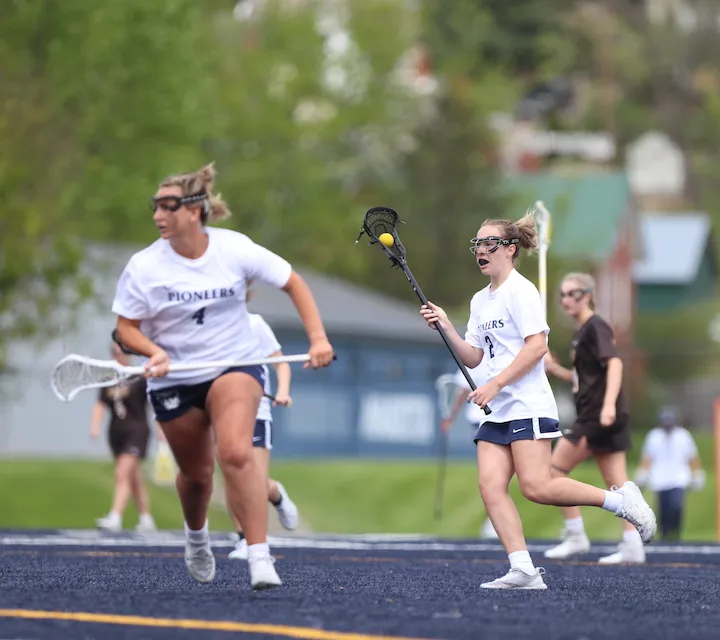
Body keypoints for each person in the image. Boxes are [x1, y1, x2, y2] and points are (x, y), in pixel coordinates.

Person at [111, 161, 334, 591]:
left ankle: (259, 555)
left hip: (235, 364)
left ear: (194, 211)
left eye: (167, 206)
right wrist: (153, 351)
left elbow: (294, 283)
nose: (158, 215)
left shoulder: (234, 249)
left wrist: (318, 337)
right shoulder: (144, 266)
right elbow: (125, 328)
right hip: (177, 376)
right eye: (155, 206)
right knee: (196, 476)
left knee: (235, 453)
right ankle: (197, 539)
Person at [419, 211, 656, 590]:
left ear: (510, 249)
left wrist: (495, 385)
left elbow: (537, 347)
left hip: (526, 405)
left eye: (489, 243)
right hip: (496, 412)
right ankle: (523, 569)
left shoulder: (521, 290)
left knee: (537, 487)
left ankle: (621, 502)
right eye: (477, 244)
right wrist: (446, 326)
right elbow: (474, 357)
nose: (481, 250)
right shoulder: (480, 301)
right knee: (490, 486)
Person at [543, 272, 644, 564]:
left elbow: (614, 364)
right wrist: (555, 369)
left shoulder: (594, 327)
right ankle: (632, 544)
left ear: (587, 295)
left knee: (552, 471)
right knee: (619, 484)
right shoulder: (583, 332)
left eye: (571, 293)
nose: (565, 300)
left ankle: (575, 535)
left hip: (597, 414)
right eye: (562, 294)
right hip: (599, 411)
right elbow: (582, 378)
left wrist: (608, 405)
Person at [228, 294, 299, 560]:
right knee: (233, 477)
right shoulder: (207, 329)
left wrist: (282, 390)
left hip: (257, 411)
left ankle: (275, 498)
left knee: (253, 480)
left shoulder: (255, 325)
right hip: (222, 413)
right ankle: (244, 539)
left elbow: (280, 363)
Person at [90, 342, 159, 534]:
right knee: (133, 477)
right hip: (116, 432)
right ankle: (146, 518)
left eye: (121, 352)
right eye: (114, 352)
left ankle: (115, 516)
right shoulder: (109, 379)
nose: (118, 355)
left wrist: (162, 430)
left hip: (137, 431)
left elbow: (154, 403)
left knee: (122, 472)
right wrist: (94, 426)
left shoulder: (139, 377)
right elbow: (100, 404)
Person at [440, 366, 498, 540]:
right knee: (492, 473)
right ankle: (492, 520)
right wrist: (451, 417)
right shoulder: (474, 359)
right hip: (482, 419)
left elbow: (462, 392)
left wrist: (451, 417)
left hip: (497, 418)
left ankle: (493, 520)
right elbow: (463, 391)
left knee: (493, 473)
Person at [635, 405, 705, 541]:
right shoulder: (654, 436)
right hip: (660, 479)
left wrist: (697, 474)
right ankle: (665, 534)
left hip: (678, 477)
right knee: (663, 508)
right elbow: (647, 457)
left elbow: (692, 456)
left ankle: (676, 531)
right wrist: (643, 473)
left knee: (676, 506)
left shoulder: (683, 435)